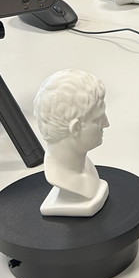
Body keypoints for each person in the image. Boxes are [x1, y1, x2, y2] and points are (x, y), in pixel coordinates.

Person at [33, 69, 110, 217]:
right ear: (75, 128)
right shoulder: (61, 177)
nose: (106, 123)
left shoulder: (86, 168)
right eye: (97, 119)